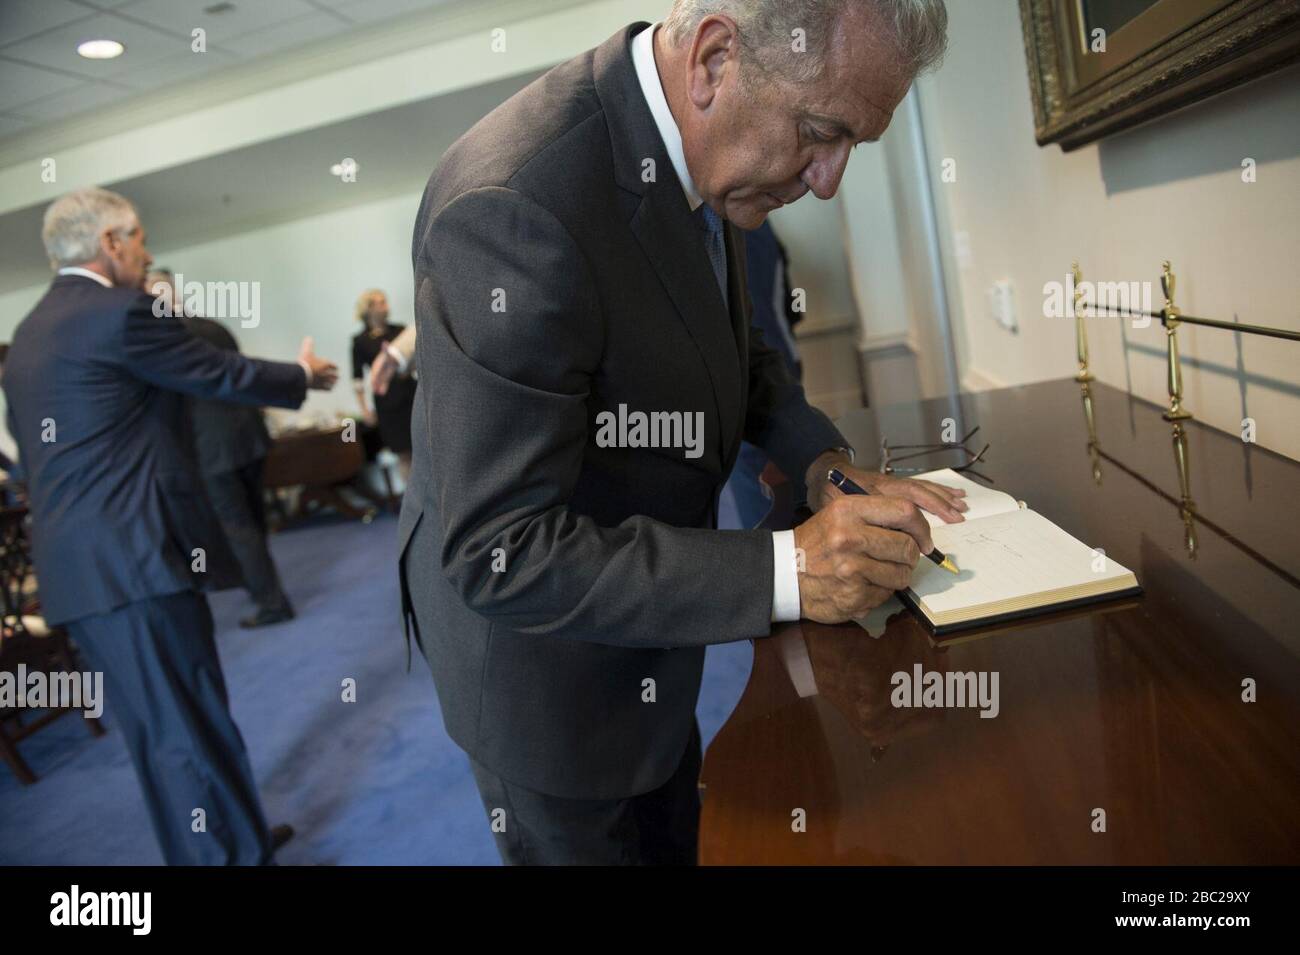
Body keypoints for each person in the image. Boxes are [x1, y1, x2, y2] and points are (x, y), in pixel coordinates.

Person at [398, 0, 962, 865]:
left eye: (853, 145)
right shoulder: (512, 205)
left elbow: (734, 348)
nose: (827, 180)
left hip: (652, 635)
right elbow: (500, 549)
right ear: (712, 58)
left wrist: (821, 463)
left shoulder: (707, 148)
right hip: (544, 682)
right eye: (820, 132)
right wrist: (793, 567)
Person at [3, 187, 338, 864]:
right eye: (141, 236)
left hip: (85, 570)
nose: (148, 250)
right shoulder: (123, 312)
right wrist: (300, 375)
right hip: (133, 560)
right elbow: (214, 371)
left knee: (171, 721)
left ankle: (237, 839)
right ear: (111, 244)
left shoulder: (29, 334)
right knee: (180, 728)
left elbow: (26, 450)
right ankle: (225, 857)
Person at [145, 268, 296, 629]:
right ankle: (264, 586)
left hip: (211, 447)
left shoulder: (163, 341)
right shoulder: (212, 327)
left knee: (237, 527)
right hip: (249, 436)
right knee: (252, 522)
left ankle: (271, 602)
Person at [351, 289, 416, 482]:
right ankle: (414, 502)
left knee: (424, 446)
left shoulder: (400, 330)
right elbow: (357, 379)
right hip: (387, 403)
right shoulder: (360, 341)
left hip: (411, 395)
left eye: (385, 301)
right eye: (380, 302)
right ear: (368, 309)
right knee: (403, 453)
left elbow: (416, 360)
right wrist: (364, 409)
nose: (385, 306)